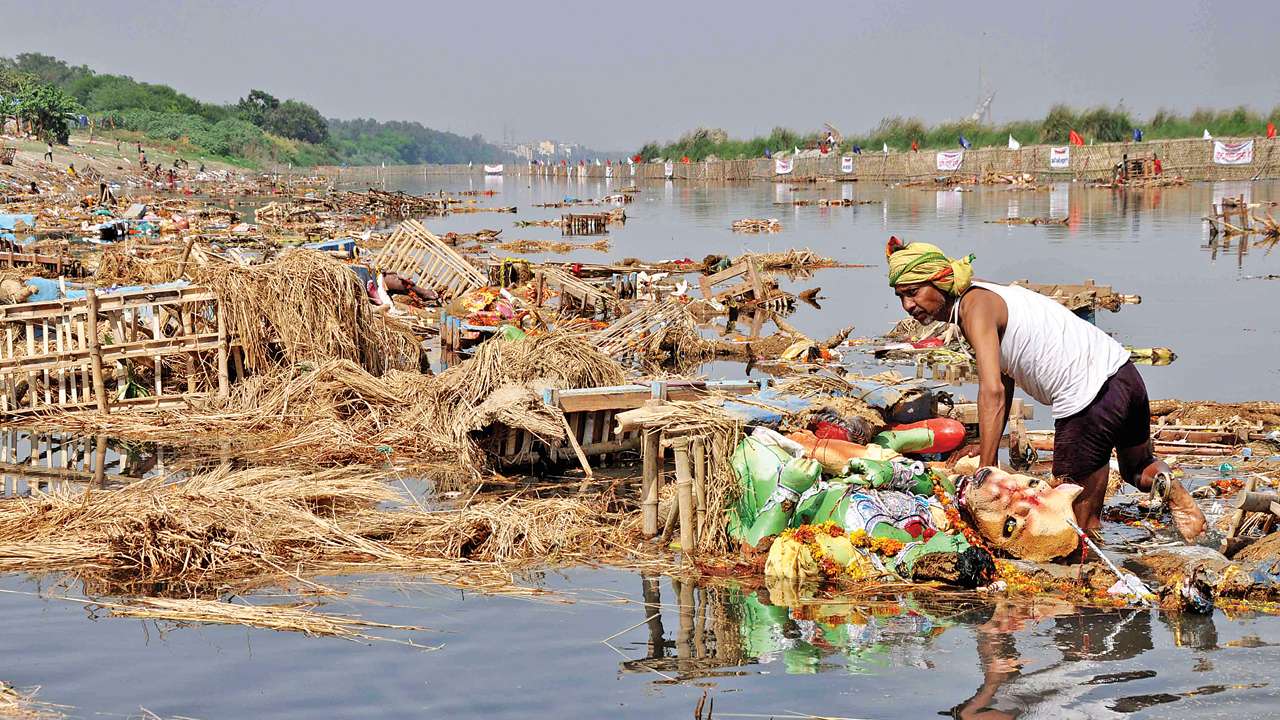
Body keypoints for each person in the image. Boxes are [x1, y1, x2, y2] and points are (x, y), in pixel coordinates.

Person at [885, 238, 1205, 542]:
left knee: (1075, 523)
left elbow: (992, 390)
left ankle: (1091, 587)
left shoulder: (974, 307)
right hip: (1124, 375)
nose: (908, 305)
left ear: (939, 280)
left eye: (913, 292)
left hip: (1087, 398)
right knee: (1138, 469)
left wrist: (985, 470)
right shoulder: (986, 294)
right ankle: (1171, 488)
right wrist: (986, 441)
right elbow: (1005, 376)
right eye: (900, 296)